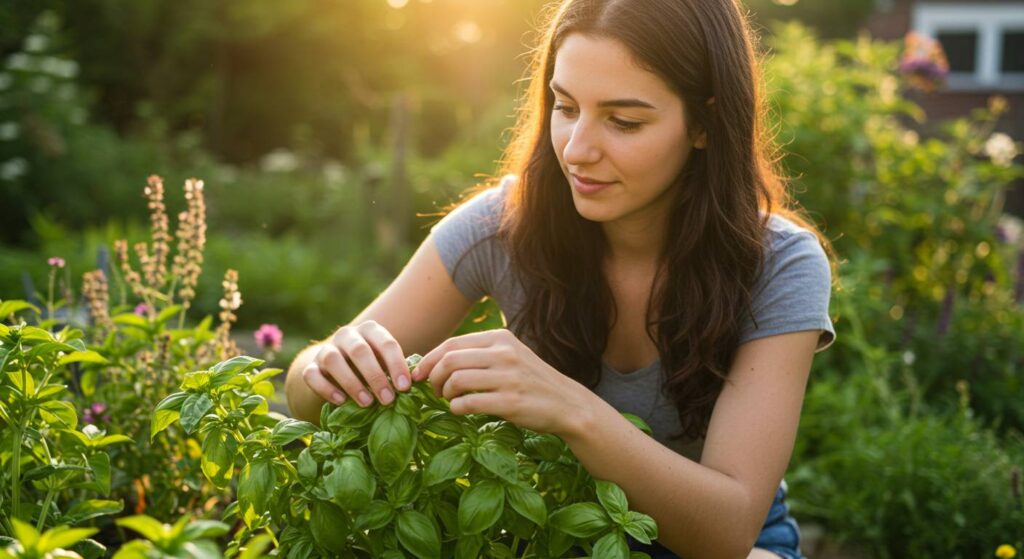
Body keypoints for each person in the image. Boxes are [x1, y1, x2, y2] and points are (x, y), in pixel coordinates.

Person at [284, 0, 837, 557]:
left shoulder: (779, 263)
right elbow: (305, 386)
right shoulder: (500, 226)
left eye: (624, 121)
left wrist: (571, 409)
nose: (576, 150)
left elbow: (726, 532)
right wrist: (331, 365)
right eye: (566, 107)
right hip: (555, 534)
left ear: (705, 124)